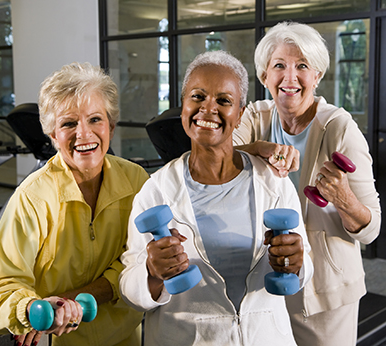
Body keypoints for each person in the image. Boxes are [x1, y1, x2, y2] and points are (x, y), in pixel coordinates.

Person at [119, 50, 313, 346]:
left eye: (223, 100)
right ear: (183, 105)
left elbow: (303, 268)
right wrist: (151, 272)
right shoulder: (156, 189)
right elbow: (130, 290)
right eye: (197, 97)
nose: (208, 109)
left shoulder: (273, 180)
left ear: (240, 113)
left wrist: (297, 264)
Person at [233, 21, 381, 346]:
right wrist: (258, 148)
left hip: (325, 295)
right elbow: (216, 157)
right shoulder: (256, 117)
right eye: (279, 66)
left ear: (317, 76)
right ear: (264, 76)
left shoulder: (340, 129)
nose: (290, 78)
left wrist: (343, 199)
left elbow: (372, 228)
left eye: (302, 66)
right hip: (263, 283)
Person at [0, 62, 149, 346]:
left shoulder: (136, 180)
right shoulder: (32, 198)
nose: (83, 134)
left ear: (111, 124)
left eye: (95, 119)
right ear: (53, 135)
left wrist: (75, 298)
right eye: (68, 123)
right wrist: (30, 310)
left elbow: (139, 258)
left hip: (125, 338)